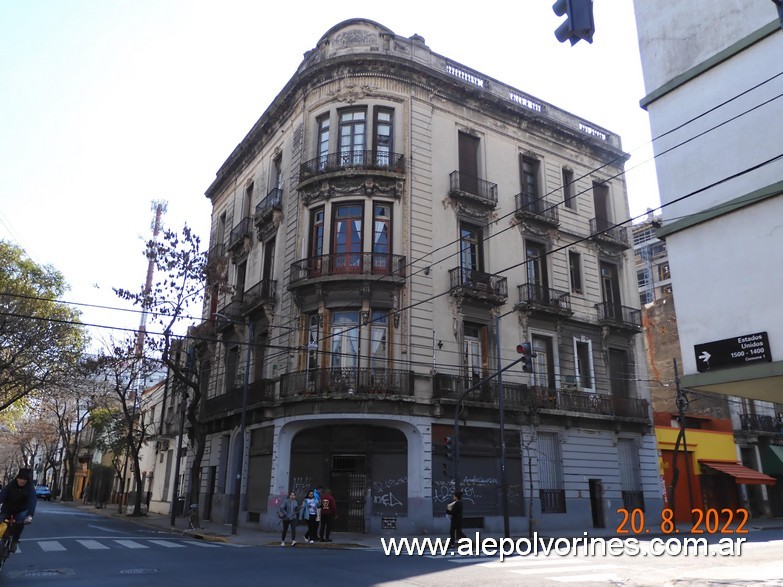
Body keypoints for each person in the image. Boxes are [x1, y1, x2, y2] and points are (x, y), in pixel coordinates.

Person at [0, 468, 37, 553]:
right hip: (7, 509)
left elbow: (32, 501)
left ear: (27, 481)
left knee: (20, 523)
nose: (22, 481)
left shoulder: (30, 488)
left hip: (21, 510)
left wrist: (29, 516)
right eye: (20, 479)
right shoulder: (11, 485)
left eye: (24, 479)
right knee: (1, 520)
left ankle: (14, 541)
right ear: (17, 478)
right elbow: (2, 495)